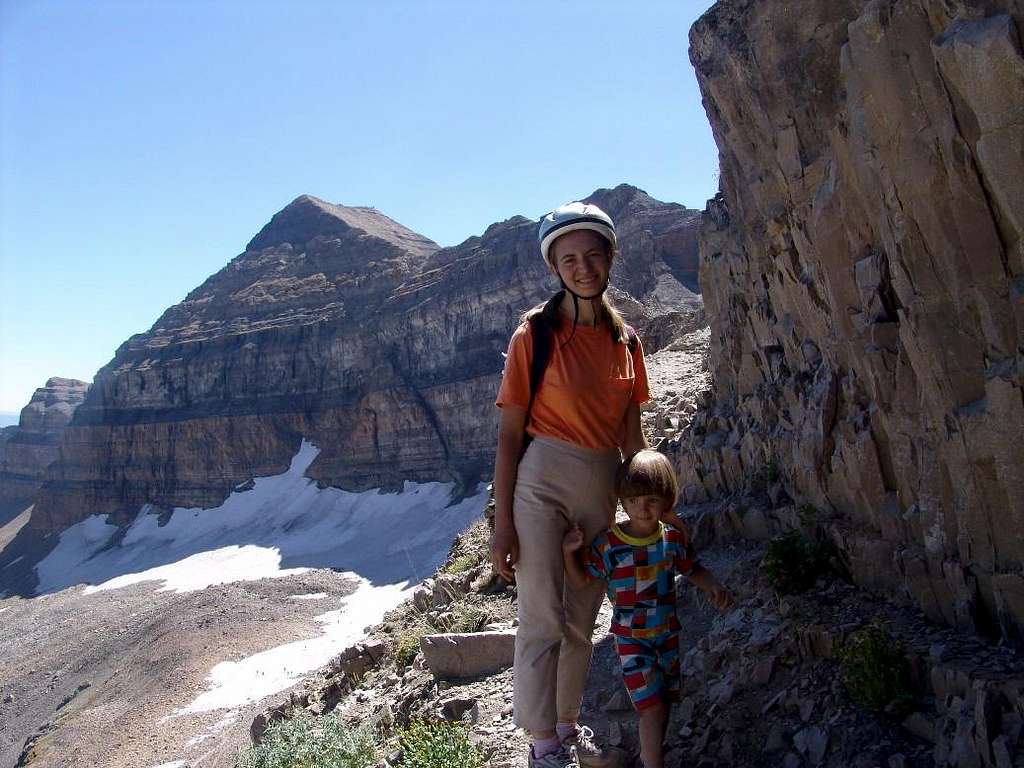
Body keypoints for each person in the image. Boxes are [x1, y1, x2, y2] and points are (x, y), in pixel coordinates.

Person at [491, 201, 681, 768]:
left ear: (611, 258)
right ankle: (541, 745)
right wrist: (502, 526)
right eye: (568, 258)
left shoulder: (628, 344)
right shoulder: (537, 334)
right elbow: (507, 437)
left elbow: (632, 435)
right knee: (543, 615)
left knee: (583, 616)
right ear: (554, 267)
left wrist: (653, 507)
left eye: (593, 255)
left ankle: (566, 725)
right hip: (542, 480)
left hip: (602, 483)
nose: (582, 267)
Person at [562, 450, 732, 768]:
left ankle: (653, 752)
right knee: (651, 706)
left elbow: (692, 568)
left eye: (651, 499)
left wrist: (712, 586)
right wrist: (570, 553)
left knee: (665, 699)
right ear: (622, 500)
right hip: (631, 640)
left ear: (665, 500)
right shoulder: (609, 544)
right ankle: (651, 762)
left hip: (667, 636)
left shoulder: (671, 539)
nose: (642, 508)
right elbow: (584, 579)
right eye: (634, 499)